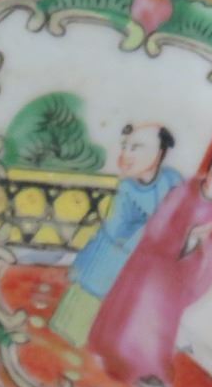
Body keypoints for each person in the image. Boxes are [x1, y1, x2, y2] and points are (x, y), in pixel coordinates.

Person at [89, 133, 212, 387]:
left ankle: (146, 369)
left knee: (161, 326)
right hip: (151, 268)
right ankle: (124, 359)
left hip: (178, 278)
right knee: (138, 314)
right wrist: (187, 239)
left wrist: (199, 246)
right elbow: (157, 229)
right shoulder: (185, 191)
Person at [49, 124, 183, 348]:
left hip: (144, 260)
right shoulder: (127, 187)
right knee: (81, 312)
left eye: (136, 147)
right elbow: (116, 230)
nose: (126, 154)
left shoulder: (172, 180)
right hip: (111, 255)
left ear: (159, 153)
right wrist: (150, 229)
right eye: (125, 147)